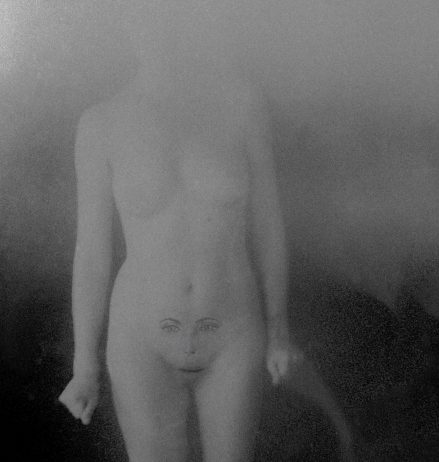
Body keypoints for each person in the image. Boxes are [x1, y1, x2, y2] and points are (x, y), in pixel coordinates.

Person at [58, 4, 300, 460]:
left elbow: (269, 224)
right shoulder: (101, 124)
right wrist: (83, 366)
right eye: (144, 16)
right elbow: (91, 253)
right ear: (126, 25)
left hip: (233, 330)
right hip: (141, 338)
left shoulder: (242, 105)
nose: (159, 31)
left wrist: (279, 330)